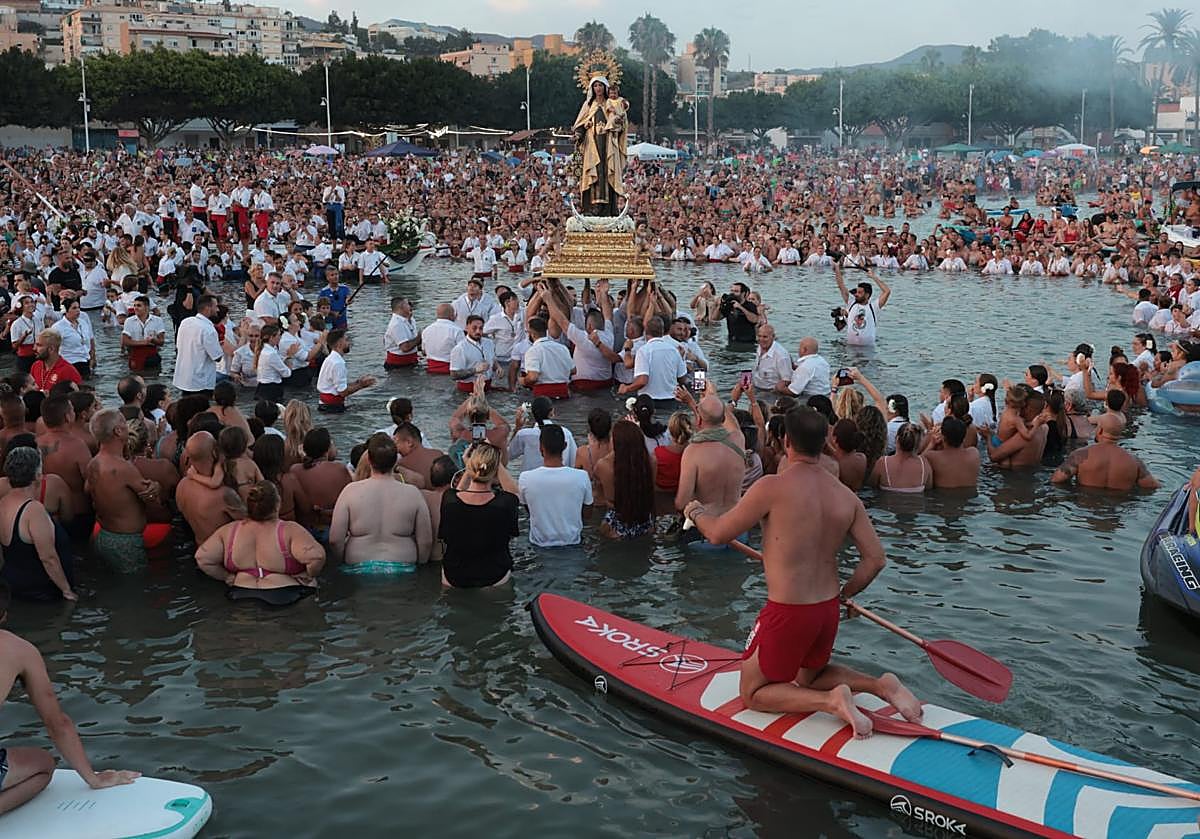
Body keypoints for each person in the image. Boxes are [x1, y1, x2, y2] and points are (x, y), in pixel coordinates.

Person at [684, 407, 921, 737]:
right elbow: (875, 560)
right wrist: (846, 594)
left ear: (785, 441)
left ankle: (832, 701)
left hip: (788, 612)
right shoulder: (846, 496)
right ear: (825, 441)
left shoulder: (772, 486)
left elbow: (718, 533)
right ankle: (881, 685)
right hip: (826, 610)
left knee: (752, 693)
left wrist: (695, 512)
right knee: (809, 674)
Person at [0, 581, 140, 814]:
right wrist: (93, 779)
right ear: (3, 616)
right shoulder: (19, 650)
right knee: (43, 764)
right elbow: (57, 724)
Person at [195, 481, 325, 602]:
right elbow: (317, 557)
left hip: (240, 594)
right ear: (278, 504)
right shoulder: (289, 529)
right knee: (312, 584)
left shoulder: (229, 530)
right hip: (283, 595)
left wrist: (227, 577)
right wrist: (308, 574)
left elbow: (202, 558)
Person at [329, 434, 433, 573]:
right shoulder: (413, 494)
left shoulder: (350, 491)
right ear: (395, 460)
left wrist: (342, 561)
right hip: (403, 568)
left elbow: (335, 540)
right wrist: (421, 566)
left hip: (358, 568)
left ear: (369, 460)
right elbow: (426, 542)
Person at [84, 409, 160, 572]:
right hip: (126, 541)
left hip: (103, 535)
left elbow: (87, 490)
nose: (127, 427)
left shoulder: (93, 463)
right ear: (118, 431)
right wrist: (156, 487)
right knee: (135, 590)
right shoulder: (124, 468)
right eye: (124, 423)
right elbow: (153, 500)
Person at [439, 442, 519, 588]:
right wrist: (497, 462)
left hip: (454, 577)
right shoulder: (505, 502)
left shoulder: (449, 500)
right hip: (494, 576)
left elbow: (458, 492)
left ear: (470, 467)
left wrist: (469, 467)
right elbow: (514, 492)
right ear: (495, 471)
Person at [0, 448, 75, 602]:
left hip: (11, 585)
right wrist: (66, 590)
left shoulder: (3, 503)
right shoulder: (34, 510)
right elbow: (48, 558)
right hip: (40, 590)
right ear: (38, 475)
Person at [675, 393, 746, 542]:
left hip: (705, 531)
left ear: (698, 419)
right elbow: (727, 421)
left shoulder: (693, 451)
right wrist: (711, 396)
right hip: (737, 529)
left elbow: (681, 503)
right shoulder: (739, 439)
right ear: (723, 418)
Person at [1051, 413, 1159, 491]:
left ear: (1100, 430)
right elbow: (1152, 487)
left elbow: (1057, 479)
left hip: (1086, 510)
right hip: (1118, 509)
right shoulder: (1134, 462)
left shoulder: (1081, 455)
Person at [175, 430, 245, 545]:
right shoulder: (224, 494)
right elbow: (248, 522)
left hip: (201, 548)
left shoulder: (181, 486)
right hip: (226, 552)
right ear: (214, 452)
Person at [573, 75, 626, 216]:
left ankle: (609, 208)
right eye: (595, 86)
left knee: (608, 172)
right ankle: (592, 207)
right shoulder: (589, 105)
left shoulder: (612, 103)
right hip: (592, 145)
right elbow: (579, 124)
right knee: (595, 172)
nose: (598, 88)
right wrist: (581, 131)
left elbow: (621, 121)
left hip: (608, 144)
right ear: (592, 88)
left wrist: (617, 124)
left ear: (605, 87)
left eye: (600, 85)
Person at [595, 421, 656, 540]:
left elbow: (602, 499)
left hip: (615, 528)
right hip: (645, 523)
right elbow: (651, 493)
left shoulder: (603, 466)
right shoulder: (651, 462)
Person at [289, 428, 350, 543]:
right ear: (327, 450)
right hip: (330, 529)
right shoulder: (339, 469)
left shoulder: (294, 470)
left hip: (303, 530)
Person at [619, 315, 688, 405]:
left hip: (649, 402)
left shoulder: (644, 351)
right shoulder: (674, 350)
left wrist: (626, 388)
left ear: (646, 331)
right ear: (662, 332)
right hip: (671, 400)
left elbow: (642, 380)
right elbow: (683, 379)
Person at [173, 295, 232, 399]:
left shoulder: (185, 322)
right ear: (208, 308)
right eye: (216, 306)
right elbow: (217, 357)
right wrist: (221, 343)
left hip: (183, 378)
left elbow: (178, 346)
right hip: (200, 382)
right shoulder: (208, 330)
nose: (218, 309)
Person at [508, 397, 577, 474]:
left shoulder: (524, 434)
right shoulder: (565, 433)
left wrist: (517, 428)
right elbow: (574, 462)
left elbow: (507, 455)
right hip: (561, 481)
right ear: (552, 412)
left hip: (530, 482)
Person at [316, 329, 375, 413]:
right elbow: (342, 392)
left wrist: (357, 382)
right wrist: (362, 385)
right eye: (346, 340)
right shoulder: (338, 363)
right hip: (332, 408)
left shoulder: (330, 359)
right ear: (340, 343)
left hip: (325, 405)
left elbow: (336, 385)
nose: (349, 343)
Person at [834, 263, 890, 347]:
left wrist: (873, 277)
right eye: (856, 292)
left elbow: (887, 291)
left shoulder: (873, 307)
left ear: (867, 295)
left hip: (867, 350)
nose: (856, 294)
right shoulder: (851, 303)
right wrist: (837, 267)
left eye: (860, 293)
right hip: (850, 348)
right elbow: (841, 285)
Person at [868, 423, 931, 493]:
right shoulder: (924, 464)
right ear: (918, 444)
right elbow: (929, 490)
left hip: (886, 503)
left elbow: (871, 487)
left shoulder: (883, 463)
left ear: (897, 439)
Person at [521, 317, 574, 399]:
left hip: (543, 394)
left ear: (532, 334)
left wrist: (523, 381)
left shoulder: (533, 351)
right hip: (564, 392)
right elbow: (573, 370)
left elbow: (532, 377)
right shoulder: (562, 348)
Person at [923, 417, 980, 489]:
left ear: (943, 438)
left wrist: (932, 443)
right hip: (969, 498)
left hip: (942, 498)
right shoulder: (974, 453)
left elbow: (918, 463)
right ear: (964, 437)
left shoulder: (932, 457)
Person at [575, 408, 613, 507]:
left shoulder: (582, 452)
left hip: (593, 504)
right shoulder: (617, 449)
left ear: (590, 428)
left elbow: (575, 481)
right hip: (613, 503)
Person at [51, 299, 95, 379]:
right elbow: (53, 347)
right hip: (70, 362)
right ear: (66, 310)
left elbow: (90, 340)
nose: (78, 310)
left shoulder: (83, 322)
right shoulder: (58, 327)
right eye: (74, 308)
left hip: (85, 360)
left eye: (78, 308)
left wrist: (93, 357)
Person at [120, 295, 166, 370]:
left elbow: (161, 342)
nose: (135, 308)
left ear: (147, 307)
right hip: (135, 354)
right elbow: (125, 341)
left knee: (154, 378)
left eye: (139, 305)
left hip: (152, 355)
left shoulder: (158, 320)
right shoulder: (129, 321)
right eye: (134, 305)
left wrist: (153, 340)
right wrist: (144, 342)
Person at [421, 303, 463, 375]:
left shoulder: (426, 330)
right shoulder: (457, 331)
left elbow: (424, 352)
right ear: (452, 315)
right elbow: (463, 353)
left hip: (431, 371)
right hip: (450, 371)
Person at [383, 297, 420, 368]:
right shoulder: (396, 324)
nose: (411, 306)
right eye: (408, 304)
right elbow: (405, 348)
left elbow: (412, 342)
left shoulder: (410, 319)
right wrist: (420, 337)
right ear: (401, 307)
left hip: (411, 361)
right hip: (398, 366)